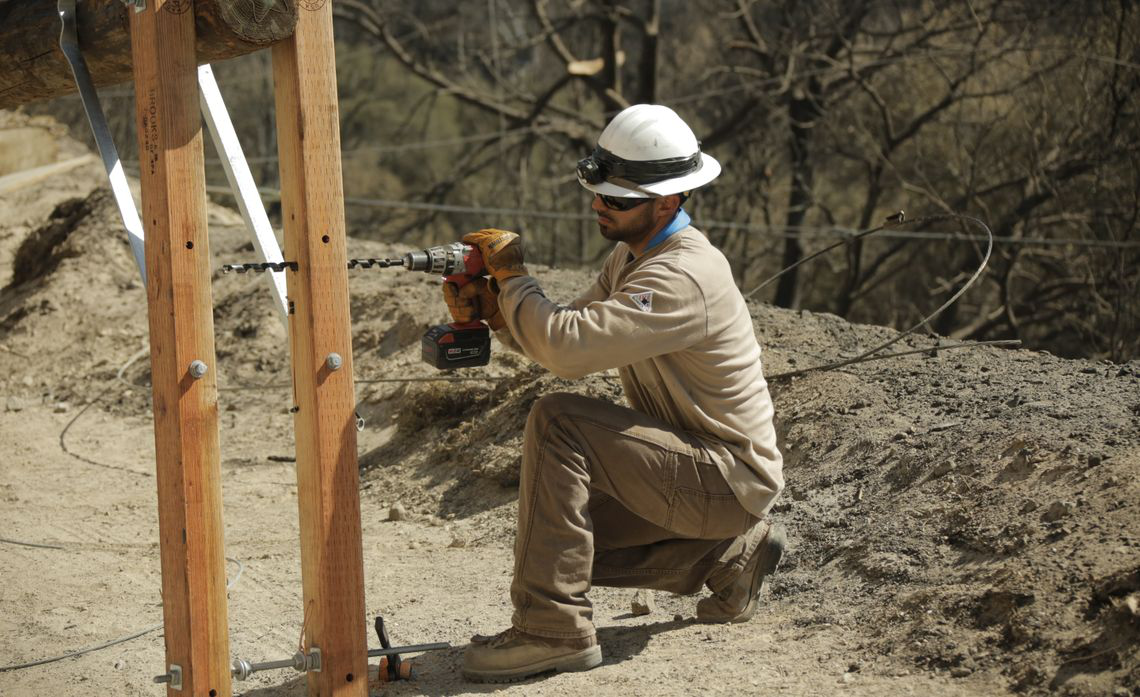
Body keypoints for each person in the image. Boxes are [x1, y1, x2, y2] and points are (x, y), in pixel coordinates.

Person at [442, 104, 785, 683]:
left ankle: (551, 632)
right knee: (549, 548)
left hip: (724, 475)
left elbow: (567, 354)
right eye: (597, 191)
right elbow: (568, 330)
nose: (599, 205)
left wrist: (512, 281)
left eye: (617, 199)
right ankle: (729, 558)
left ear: (668, 201)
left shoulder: (681, 275)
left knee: (559, 421)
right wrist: (501, 316)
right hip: (700, 471)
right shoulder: (631, 256)